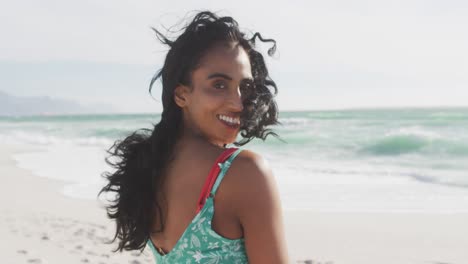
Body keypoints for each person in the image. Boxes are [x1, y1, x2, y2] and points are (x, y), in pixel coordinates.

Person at [99, 11, 289, 263]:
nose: (238, 103)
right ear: (181, 95)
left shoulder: (151, 168)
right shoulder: (244, 172)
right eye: (219, 85)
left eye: (245, 87)